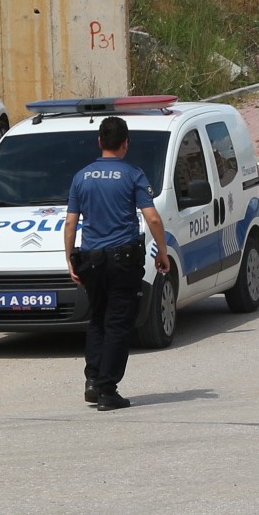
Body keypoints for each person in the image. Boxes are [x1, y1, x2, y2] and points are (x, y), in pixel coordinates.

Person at [63, 114, 168, 412]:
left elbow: (71, 224)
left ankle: (93, 381)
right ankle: (109, 390)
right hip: (122, 261)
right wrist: (161, 252)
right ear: (126, 144)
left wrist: (70, 258)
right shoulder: (133, 174)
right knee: (119, 323)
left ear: (100, 142)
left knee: (97, 319)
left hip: (91, 260)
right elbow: (153, 217)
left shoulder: (81, 177)